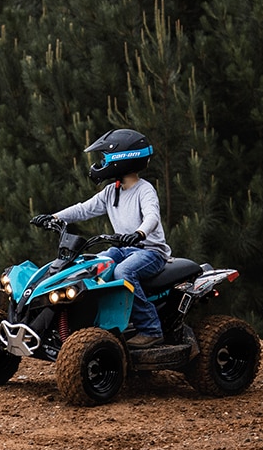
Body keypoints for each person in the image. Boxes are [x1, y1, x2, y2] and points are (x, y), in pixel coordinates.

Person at [33, 128, 170, 347]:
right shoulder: (111, 191)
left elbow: (152, 217)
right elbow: (82, 209)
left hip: (150, 252)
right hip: (123, 249)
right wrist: (53, 217)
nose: (101, 162)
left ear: (122, 159)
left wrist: (139, 234)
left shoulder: (145, 190)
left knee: (123, 271)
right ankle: (98, 325)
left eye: (105, 157)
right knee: (94, 265)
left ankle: (151, 329)